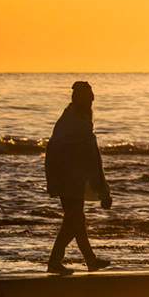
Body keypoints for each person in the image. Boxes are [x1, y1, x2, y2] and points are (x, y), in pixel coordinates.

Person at [45, 81, 111, 274]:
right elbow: (93, 159)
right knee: (73, 220)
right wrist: (103, 190)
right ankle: (54, 261)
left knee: (77, 221)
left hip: (62, 175)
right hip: (70, 178)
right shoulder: (80, 124)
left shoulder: (68, 118)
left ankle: (90, 260)